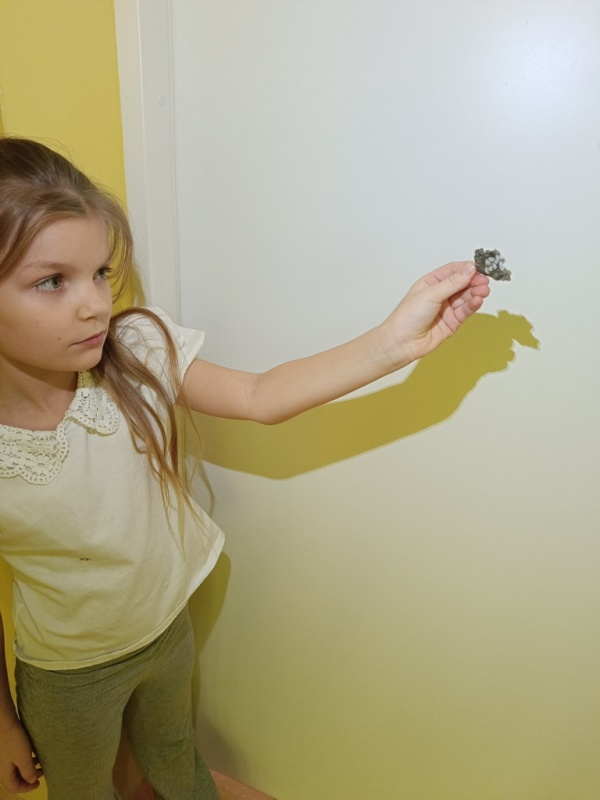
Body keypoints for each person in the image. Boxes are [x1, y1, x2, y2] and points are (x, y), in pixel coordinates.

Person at [0, 136, 490, 799]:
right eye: (52, 282)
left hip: (166, 628)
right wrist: (4, 721)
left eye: (100, 273)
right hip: (67, 673)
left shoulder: (135, 350)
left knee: (177, 760)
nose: (94, 304)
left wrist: (393, 342)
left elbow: (261, 396)